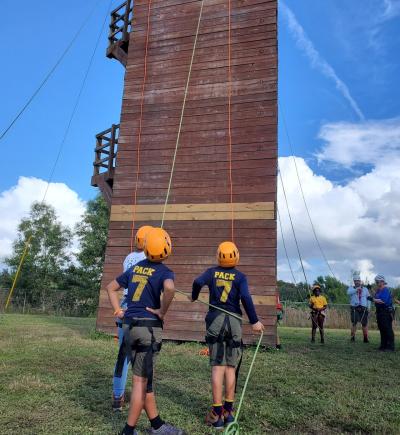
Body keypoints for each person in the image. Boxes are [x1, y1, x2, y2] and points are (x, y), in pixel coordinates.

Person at [107, 227, 185, 435]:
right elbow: (169, 289)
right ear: (167, 248)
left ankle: (157, 425)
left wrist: (117, 309)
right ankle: (128, 430)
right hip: (147, 329)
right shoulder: (165, 272)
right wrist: (162, 310)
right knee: (141, 382)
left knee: (145, 378)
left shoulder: (135, 267)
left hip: (129, 327)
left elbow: (110, 287)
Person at [191, 241, 264, 430]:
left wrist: (193, 295)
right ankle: (228, 413)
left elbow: (197, 282)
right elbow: (246, 298)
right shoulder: (240, 277)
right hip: (233, 323)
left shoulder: (211, 272)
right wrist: (255, 321)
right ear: (236, 256)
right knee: (230, 368)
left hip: (215, 320)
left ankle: (216, 415)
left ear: (218, 256)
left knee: (218, 368)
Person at [112, 225, 153, 411]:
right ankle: (143, 398)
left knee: (123, 355)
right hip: (141, 308)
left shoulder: (128, 257)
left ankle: (117, 396)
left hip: (124, 307)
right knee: (143, 356)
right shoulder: (148, 259)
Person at [370, 274, 395, 352]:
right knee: (382, 329)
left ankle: (390, 347)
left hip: (386, 312)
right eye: (376, 282)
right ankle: (383, 345)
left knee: (387, 329)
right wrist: (370, 289)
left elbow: (382, 301)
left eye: (378, 282)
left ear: (382, 282)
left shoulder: (386, 290)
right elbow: (375, 296)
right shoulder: (378, 290)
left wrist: (372, 299)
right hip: (379, 312)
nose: (377, 283)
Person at [347, 272, 371, 343]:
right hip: (354, 308)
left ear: (360, 281)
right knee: (354, 323)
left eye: (358, 281)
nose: (357, 282)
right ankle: (352, 337)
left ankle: (365, 338)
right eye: (355, 281)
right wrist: (356, 290)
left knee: (364, 323)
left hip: (364, 308)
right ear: (354, 282)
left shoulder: (365, 289)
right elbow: (348, 293)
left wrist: (369, 307)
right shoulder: (351, 288)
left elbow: (368, 298)